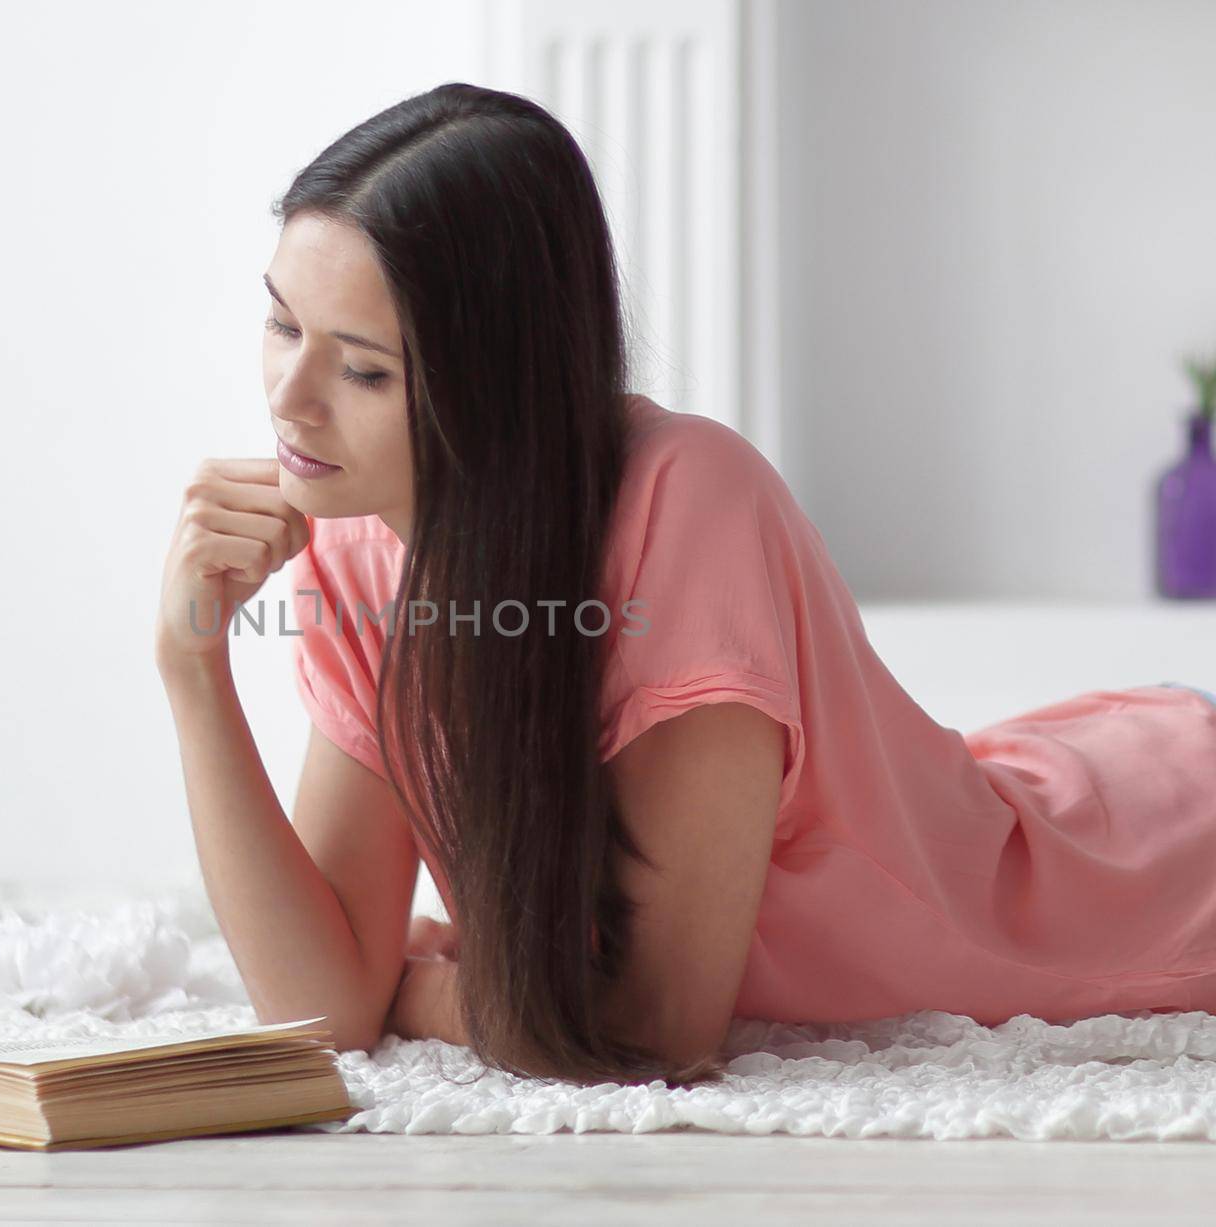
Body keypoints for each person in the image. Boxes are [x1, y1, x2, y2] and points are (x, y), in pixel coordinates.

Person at [154, 82, 1216, 1089]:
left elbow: (646, 1027)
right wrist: (191, 668)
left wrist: (418, 988)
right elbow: (324, 1010)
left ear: (500, 376)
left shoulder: (686, 501)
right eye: (283, 324)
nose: (289, 400)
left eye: (363, 368)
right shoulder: (356, 547)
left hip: (1133, 893)